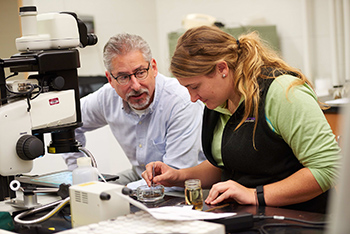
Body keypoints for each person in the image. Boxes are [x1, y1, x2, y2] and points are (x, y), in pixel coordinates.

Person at [142, 25, 341, 213]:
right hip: (248, 216)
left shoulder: (283, 92)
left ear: (222, 69)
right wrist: (178, 176)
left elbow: (327, 168)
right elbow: (229, 165)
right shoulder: (220, 101)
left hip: (301, 218)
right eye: (186, 89)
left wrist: (254, 195)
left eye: (195, 87)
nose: (193, 98)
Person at [63, 33, 205, 187]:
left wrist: (115, 192)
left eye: (140, 72)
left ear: (154, 68)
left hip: (185, 183)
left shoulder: (180, 101)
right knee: (86, 194)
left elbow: (173, 175)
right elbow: (67, 121)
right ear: (110, 79)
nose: (136, 86)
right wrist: (80, 172)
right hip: (139, 175)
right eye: (123, 77)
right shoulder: (107, 97)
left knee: (109, 196)